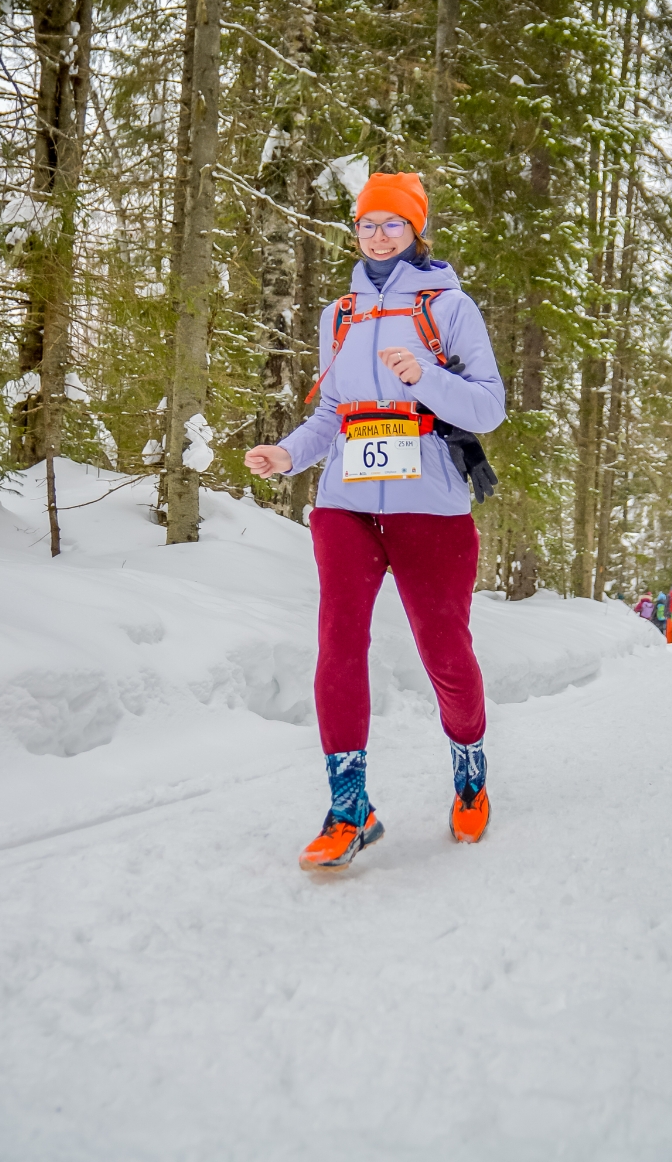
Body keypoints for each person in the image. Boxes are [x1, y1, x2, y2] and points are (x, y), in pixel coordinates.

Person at [245, 170, 506, 871]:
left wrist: (426, 377)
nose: (379, 234)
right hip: (345, 501)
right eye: (368, 223)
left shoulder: (450, 308)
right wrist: (288, 454)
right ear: (355, 231)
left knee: (444, 652)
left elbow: (488, 408)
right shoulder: (341, 314)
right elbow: (333, 414)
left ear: (416, 229)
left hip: (432, 502)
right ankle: (349, 806)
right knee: (337, 642)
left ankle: (470, 766)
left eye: (393, 223)